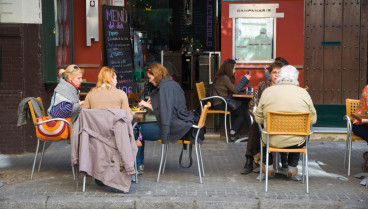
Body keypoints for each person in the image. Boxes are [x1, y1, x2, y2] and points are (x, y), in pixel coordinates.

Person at [254, 65, 317, 180]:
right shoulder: (304, 93)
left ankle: (269, 168)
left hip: (272, 139)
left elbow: (258, 118)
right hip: (297, 141)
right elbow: (313, 119)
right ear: (296, 78)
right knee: (302, 133)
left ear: (279, 77)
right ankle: (292, 169)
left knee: (262, 131)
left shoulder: (268, 92)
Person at [241, 60, 286, 175]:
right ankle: (249, 159)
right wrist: (257, 112)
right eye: (274, 72)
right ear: (269, 74)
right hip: (265, 120)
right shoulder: (263, 85)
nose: (276, 74)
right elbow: (253, 103)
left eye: (279, 72)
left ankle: (281, 160)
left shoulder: (287, 87)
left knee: (256, 126)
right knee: (255, 125)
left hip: (283, 122)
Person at [138, 63, 197, 144]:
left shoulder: (164, 88)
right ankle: (137, 157)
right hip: (179, 124)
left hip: (172, 128)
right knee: (139, 128)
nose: (149, 80)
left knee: (136, 130)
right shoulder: (172, 84)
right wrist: (156, 101)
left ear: (156, 75)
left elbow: (165, 115)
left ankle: (135, 157)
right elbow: (168, 109)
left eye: (150, 77)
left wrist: (148, 105)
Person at [212, 59, 251, 141]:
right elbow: (235, 90)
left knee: (244, 107)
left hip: (222, 102)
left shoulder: (223, 76)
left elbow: (235, 89)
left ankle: (247, 131)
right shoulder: (224, 78)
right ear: (229, 68)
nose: (235, 70)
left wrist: (246, 80)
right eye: (234, 68)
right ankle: (234, 133)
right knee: (242, 113)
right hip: (220, 104)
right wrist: (244, 79)